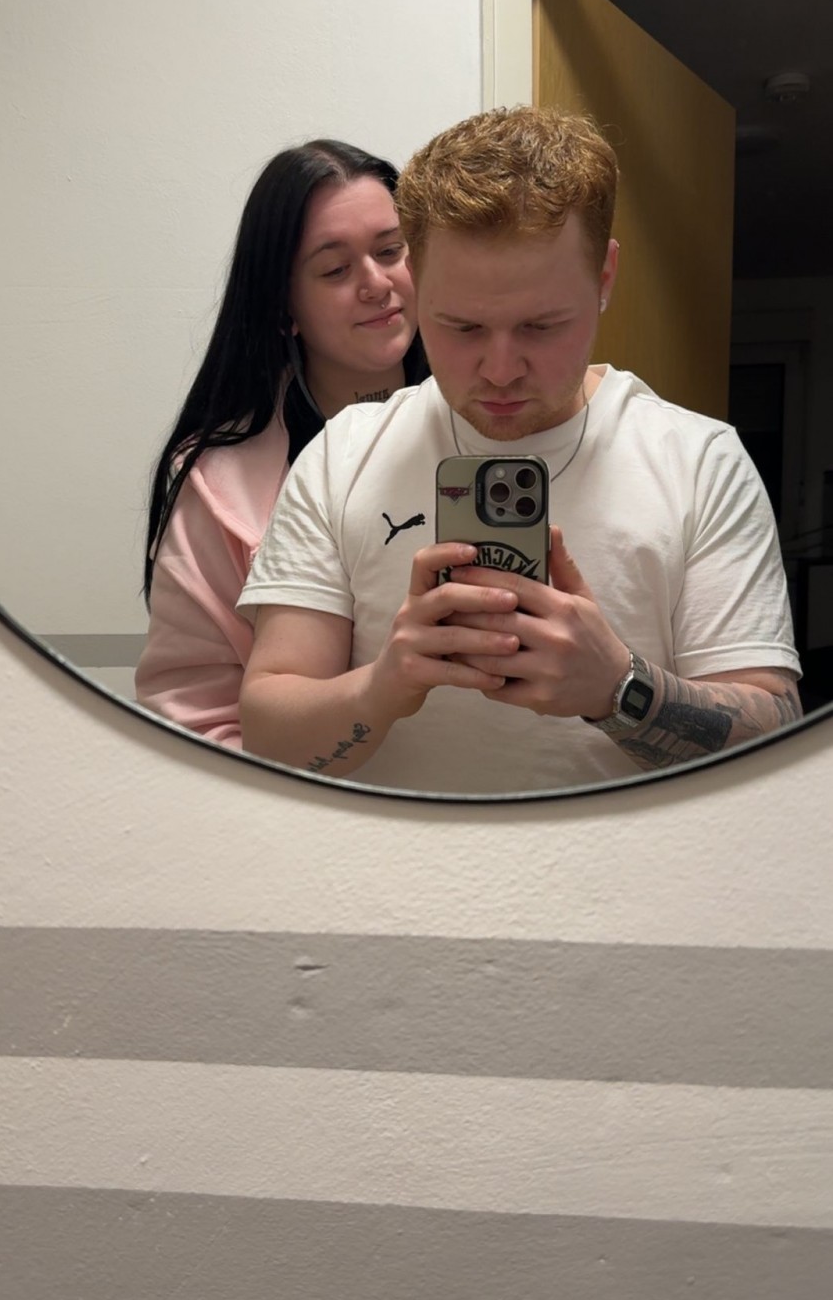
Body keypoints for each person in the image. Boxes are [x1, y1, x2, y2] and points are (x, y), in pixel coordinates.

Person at [237, 106, 801, 794]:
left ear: (604, 277)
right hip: (389, 865)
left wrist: (618, 687)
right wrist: (383, 686)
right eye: (462, 327)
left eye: (541, 325)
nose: (500, 370)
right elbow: (266, 736)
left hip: (629, 864)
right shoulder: (343, 456)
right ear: (416, 279)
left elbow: (775, 739)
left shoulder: (701, 462)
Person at [135, 139, 425, 747]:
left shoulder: (497, 417)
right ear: (284, 304)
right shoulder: (217, 487)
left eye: (391, 250)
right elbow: (195, 720)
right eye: (335, 270)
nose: (377, 283)